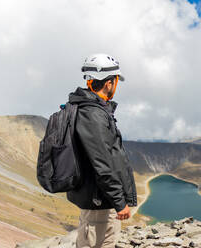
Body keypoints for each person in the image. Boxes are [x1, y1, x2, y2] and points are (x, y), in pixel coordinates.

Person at [66, 53, 137, 248]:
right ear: (108, 83)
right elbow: (102, 163)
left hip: (100, 199)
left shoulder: (94, 110)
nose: (116, 85)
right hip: (99, 202)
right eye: (115, 80)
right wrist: (119, 201)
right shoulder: (93, 114)